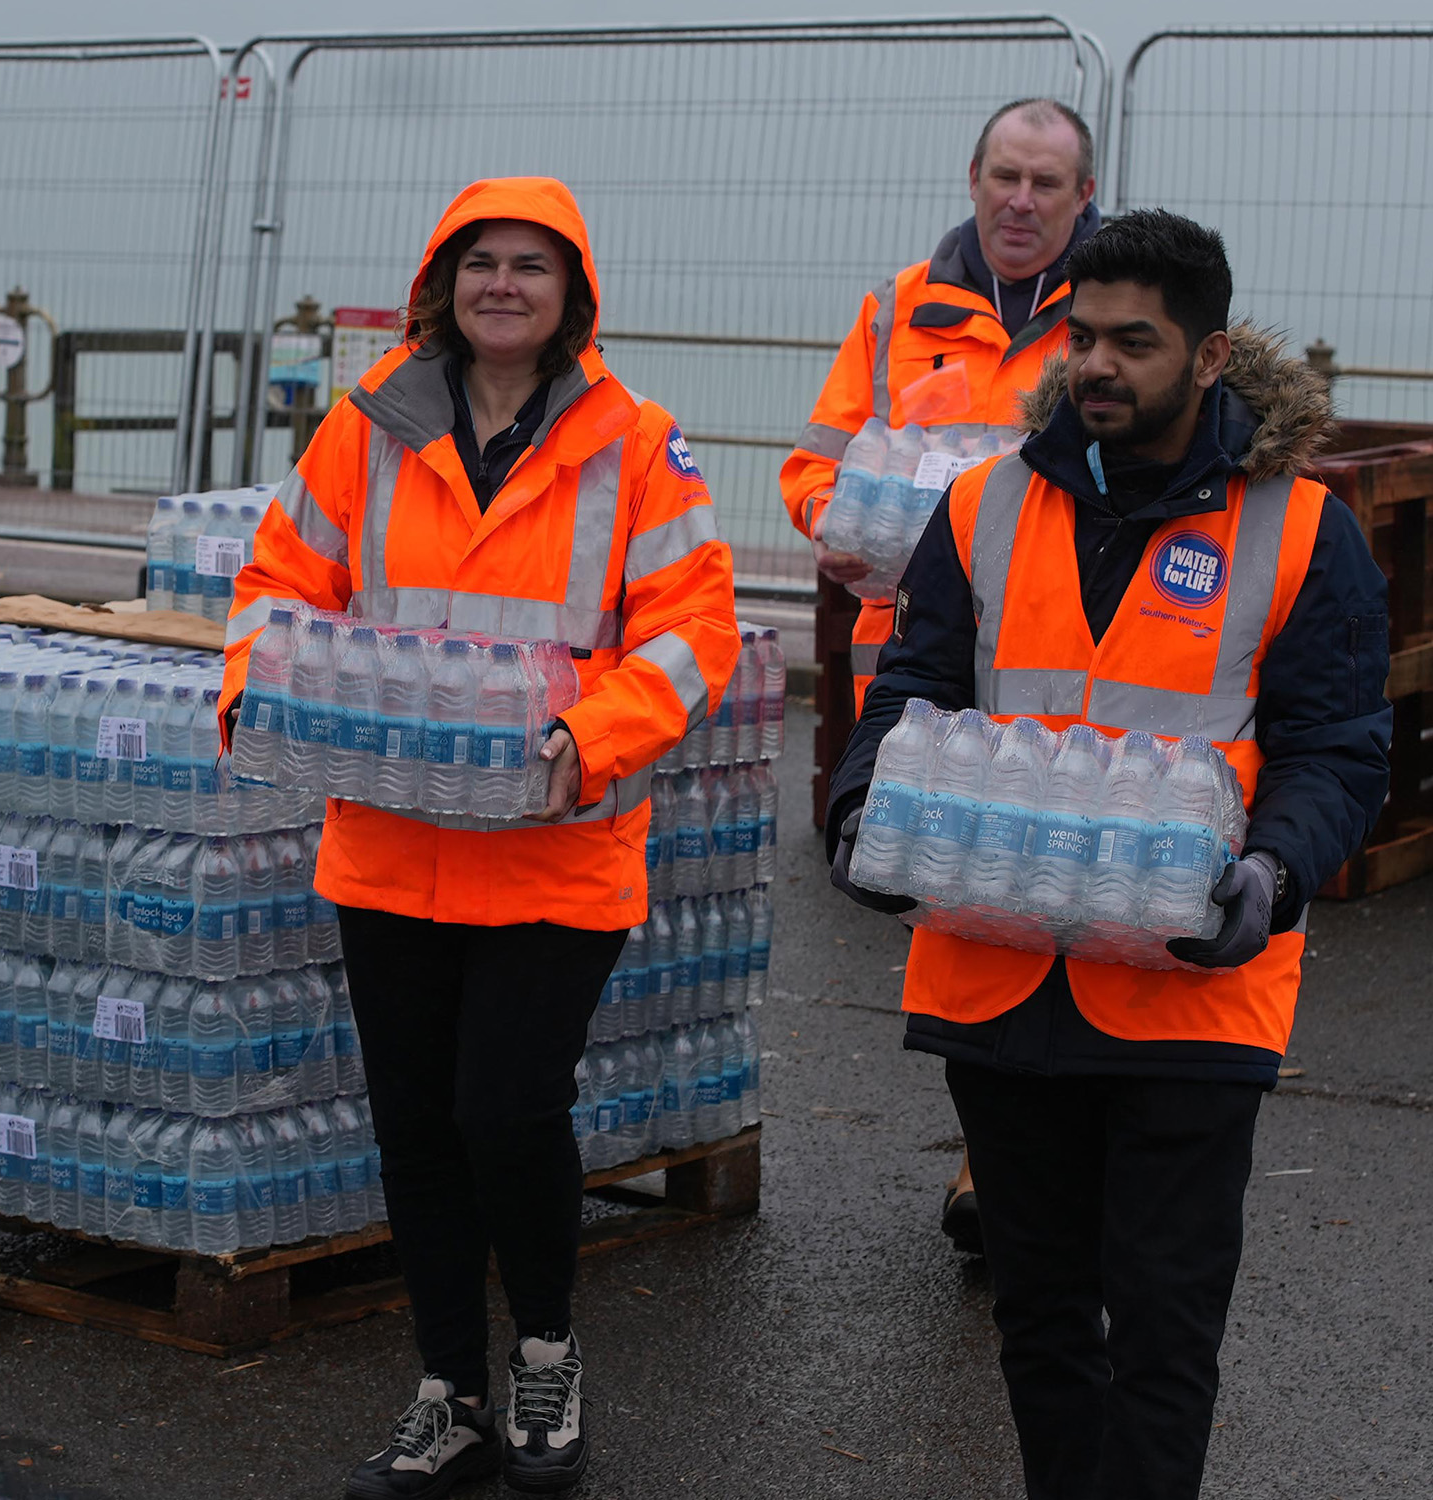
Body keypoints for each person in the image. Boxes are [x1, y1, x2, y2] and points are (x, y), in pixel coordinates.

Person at [826, 209, 1391, 1498]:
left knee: (1160, 1330)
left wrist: (1273, 873)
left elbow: (1336, 751)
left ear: (1205, 357)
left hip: (1192, 986)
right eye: (1080, 334)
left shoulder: (1300, 530)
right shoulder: (980, 504)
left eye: (1131, 342)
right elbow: (910, 680)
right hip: (994, 969)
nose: (1094, 364)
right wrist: (862, 807)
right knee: (1036, 1318)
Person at [218, 177, 739, 1498]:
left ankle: (548, 1350)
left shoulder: (638, 446)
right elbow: (278, 582)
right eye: (479, 263)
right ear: (442, 281)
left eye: (532, 266)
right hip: (390, 843)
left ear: (575, 294)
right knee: (415, 1129)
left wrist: (591, 741)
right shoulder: (367, 428)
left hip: (557, 850)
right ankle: (447, 1384)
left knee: (507, 1113)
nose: (503, 285)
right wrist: (251, 688)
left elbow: (695, 632)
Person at [781, 96, 1100, 1253]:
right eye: (1003, 176)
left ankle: (1011, 1166)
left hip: (1066, 653)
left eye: (1045, 184)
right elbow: (814, 461)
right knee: (953, 910)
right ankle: (992, 1149)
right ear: (971, 178)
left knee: (1060, 892)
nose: (1019, 202)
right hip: (916, 645)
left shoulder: (1107, 314)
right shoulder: (894, 309)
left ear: (1079, 195)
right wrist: (832, 518)